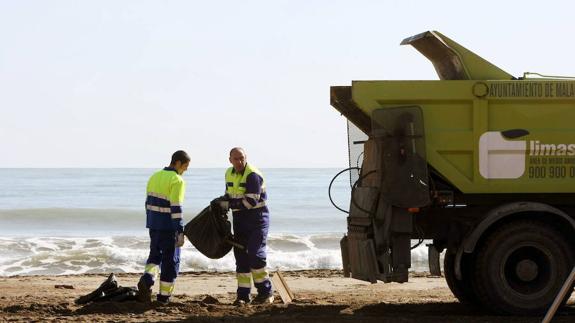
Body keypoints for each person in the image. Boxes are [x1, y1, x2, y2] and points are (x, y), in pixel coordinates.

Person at [213, 147, 273, 306]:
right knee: (241, 257)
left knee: (255, 254)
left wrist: (227, 205)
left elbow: (250, 202)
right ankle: (243, 296)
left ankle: (265, 293)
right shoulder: (228, 173)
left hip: (257, 220)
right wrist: (220, 201)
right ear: (230, 160)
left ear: (246, 158)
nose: (239, 162)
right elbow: (230, 194)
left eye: (242, 158)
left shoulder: (253, 175)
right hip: (240, 221)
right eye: (236, 159)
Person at [138, 150, 190, 304]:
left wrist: (152, 221)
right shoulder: (177, 180)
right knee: (171, 261)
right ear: (178, 163)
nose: (185, 170)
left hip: (153, 225)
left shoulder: (154, 176)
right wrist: (179, 230)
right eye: (185, 166)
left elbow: (147, 203)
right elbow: (176, 208)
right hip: (169, 228)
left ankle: (147, 280)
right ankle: (164, 297)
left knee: (155, 256)